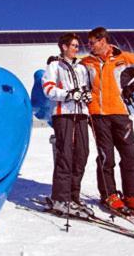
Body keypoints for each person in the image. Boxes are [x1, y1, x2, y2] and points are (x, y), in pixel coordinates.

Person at [82, 27, 134, 215]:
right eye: (89, 42)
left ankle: (132, 196)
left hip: (120, 114)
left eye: (93, 42)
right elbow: (71, 75)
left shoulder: (124, 58)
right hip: (97, 115)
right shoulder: (85, 63)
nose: (90, 45)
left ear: (104, 41)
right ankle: (109, 195)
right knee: (106, 157)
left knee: (130, 155)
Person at [42, 33, 93, 216]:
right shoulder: (55, 65)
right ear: (64, 47)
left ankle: (73, 196)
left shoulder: (81, 67)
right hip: (63, 114)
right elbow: (48, 88)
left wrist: (87, 95)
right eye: (73, 45)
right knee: (66, 155)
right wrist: (68, 94)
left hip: (81, 114)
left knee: (82, 153)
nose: (76, 49)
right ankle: (60, 198)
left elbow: (87, 89)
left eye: (78, 46)